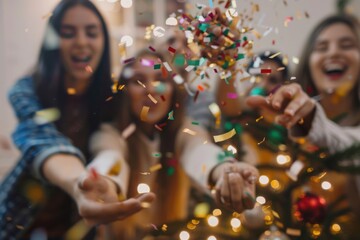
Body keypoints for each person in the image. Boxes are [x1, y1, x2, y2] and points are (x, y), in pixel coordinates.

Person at [0, 1, 154, 239]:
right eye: (68, 33)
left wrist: (106, 179)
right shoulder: (28, 89)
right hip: (18, 222)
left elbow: (110, 143)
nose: (81, 41)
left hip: (76, 228)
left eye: (91, 33)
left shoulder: (112, 98)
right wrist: (78, 184)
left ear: (104, 41)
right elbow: (41, 140)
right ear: (53, 42)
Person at [89, 49, 259, 239]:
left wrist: (223, 172)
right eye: (138, 80)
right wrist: (104, 181)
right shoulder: (111, 134)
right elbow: (109, 155)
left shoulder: (186, 130)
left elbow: (199, 151)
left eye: (160, 80)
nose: (150, 89)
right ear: (125, 89)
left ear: (172, 89)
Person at [246, 15, 360, 239]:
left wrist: (313, 122)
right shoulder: (278, 133)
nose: (333, 53)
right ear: (309, 61)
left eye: (347, 45)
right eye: (322, 47)